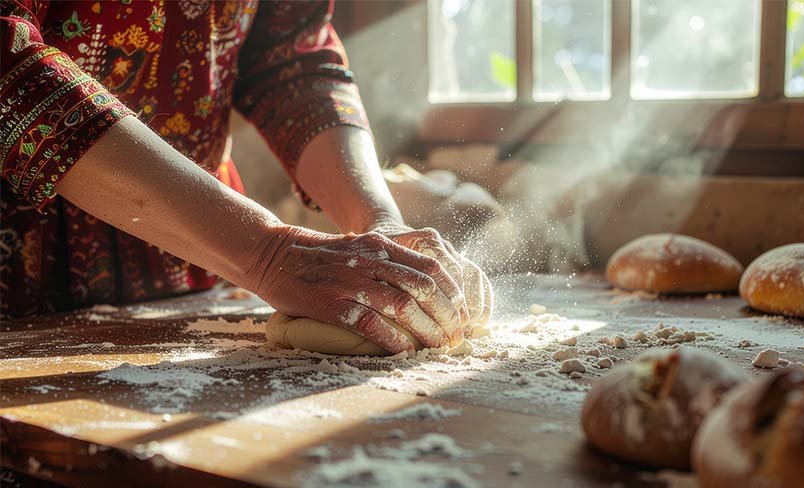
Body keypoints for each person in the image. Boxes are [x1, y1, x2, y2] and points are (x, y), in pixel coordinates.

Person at [0, 0, 492, 354]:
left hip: (192, 262)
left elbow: (292, 62)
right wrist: (266, 251)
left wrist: (379, 222)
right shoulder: (260, 253)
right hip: (23, 271)